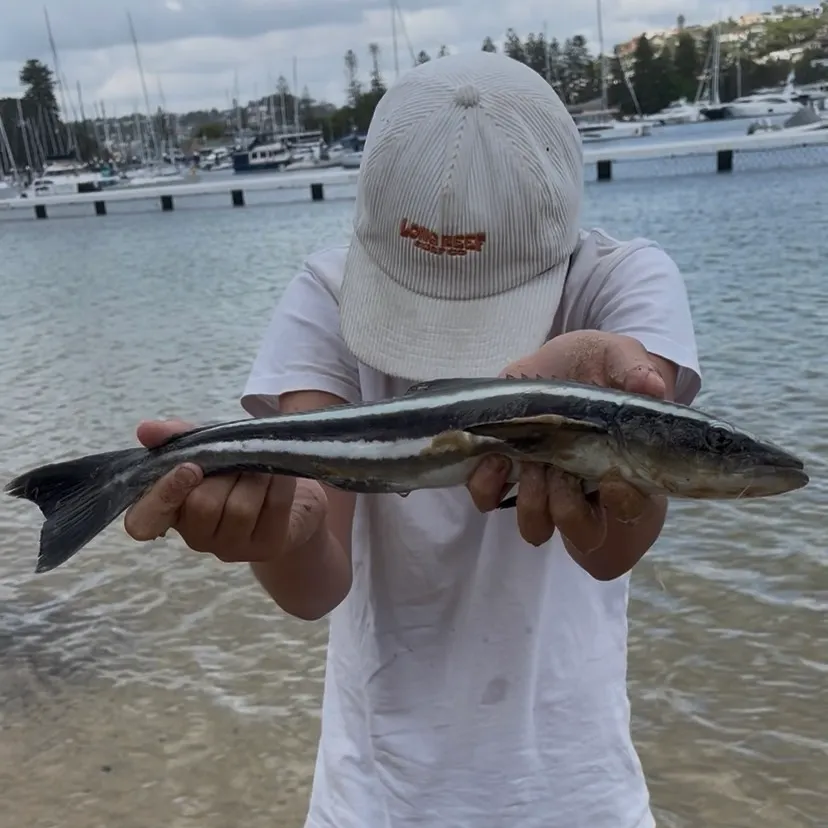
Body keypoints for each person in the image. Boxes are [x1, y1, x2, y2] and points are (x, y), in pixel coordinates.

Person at [125, 51, 701, 828]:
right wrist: (278, 538)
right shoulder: (327, 294)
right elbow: (315, 585)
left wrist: (598, 445)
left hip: (574, 797)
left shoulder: (622, 286)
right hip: (375, 798)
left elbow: (614, 549)